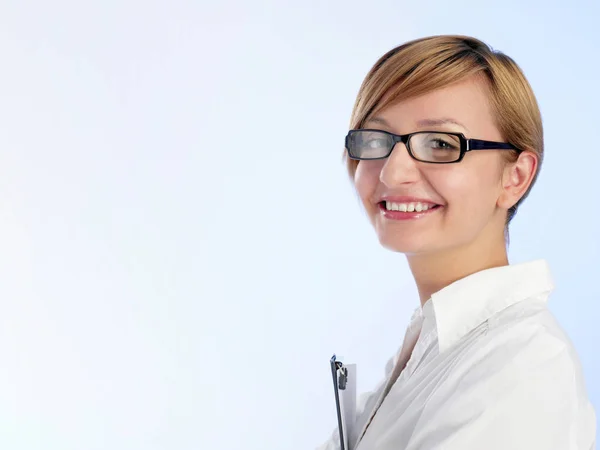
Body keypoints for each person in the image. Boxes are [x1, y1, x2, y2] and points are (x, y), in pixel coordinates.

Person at [318, 35, 596, 450]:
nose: (393, 174)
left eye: (441, 144)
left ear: (515, 177)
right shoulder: (429, 347)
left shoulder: (521, 366)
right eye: (376, 140)